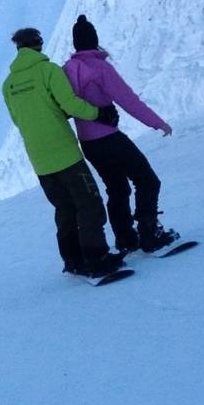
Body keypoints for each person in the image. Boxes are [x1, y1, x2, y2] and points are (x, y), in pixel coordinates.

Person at [2, 26, 127, 278]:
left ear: (18, 47)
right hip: (64, 152)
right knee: (89, 203)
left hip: (40, 160)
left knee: (65, 208)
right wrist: (100, 113)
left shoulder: (9, 85)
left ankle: (73, 260)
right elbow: (69, 104)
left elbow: (18, 120)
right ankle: (96, 258)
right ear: (38, 43)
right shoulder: (48, 71)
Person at [63, 15, 179, 254]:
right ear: (94, 40)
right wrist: (157, 123)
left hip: (89, 144)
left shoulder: (66, 70)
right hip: (109, 137)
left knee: (117, 188)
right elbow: (128, 100)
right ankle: (149, 233)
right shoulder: (100, 67)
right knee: (147, 179)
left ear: (76, 44)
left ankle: (126, 238)